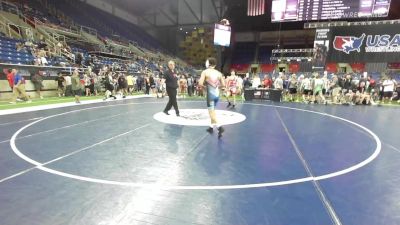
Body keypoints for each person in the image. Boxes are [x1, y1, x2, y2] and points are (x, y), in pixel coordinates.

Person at [198, 57, 226, 138]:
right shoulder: (219, 73)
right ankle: (211, 127)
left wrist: (205, 87)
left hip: (210, 96)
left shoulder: (205, 72)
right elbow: (223, 85)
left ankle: (219, 127)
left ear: (208, 63)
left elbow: (200, 83)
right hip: (217, 95)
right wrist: (217, 87)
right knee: (213, 111)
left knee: (211, 113)